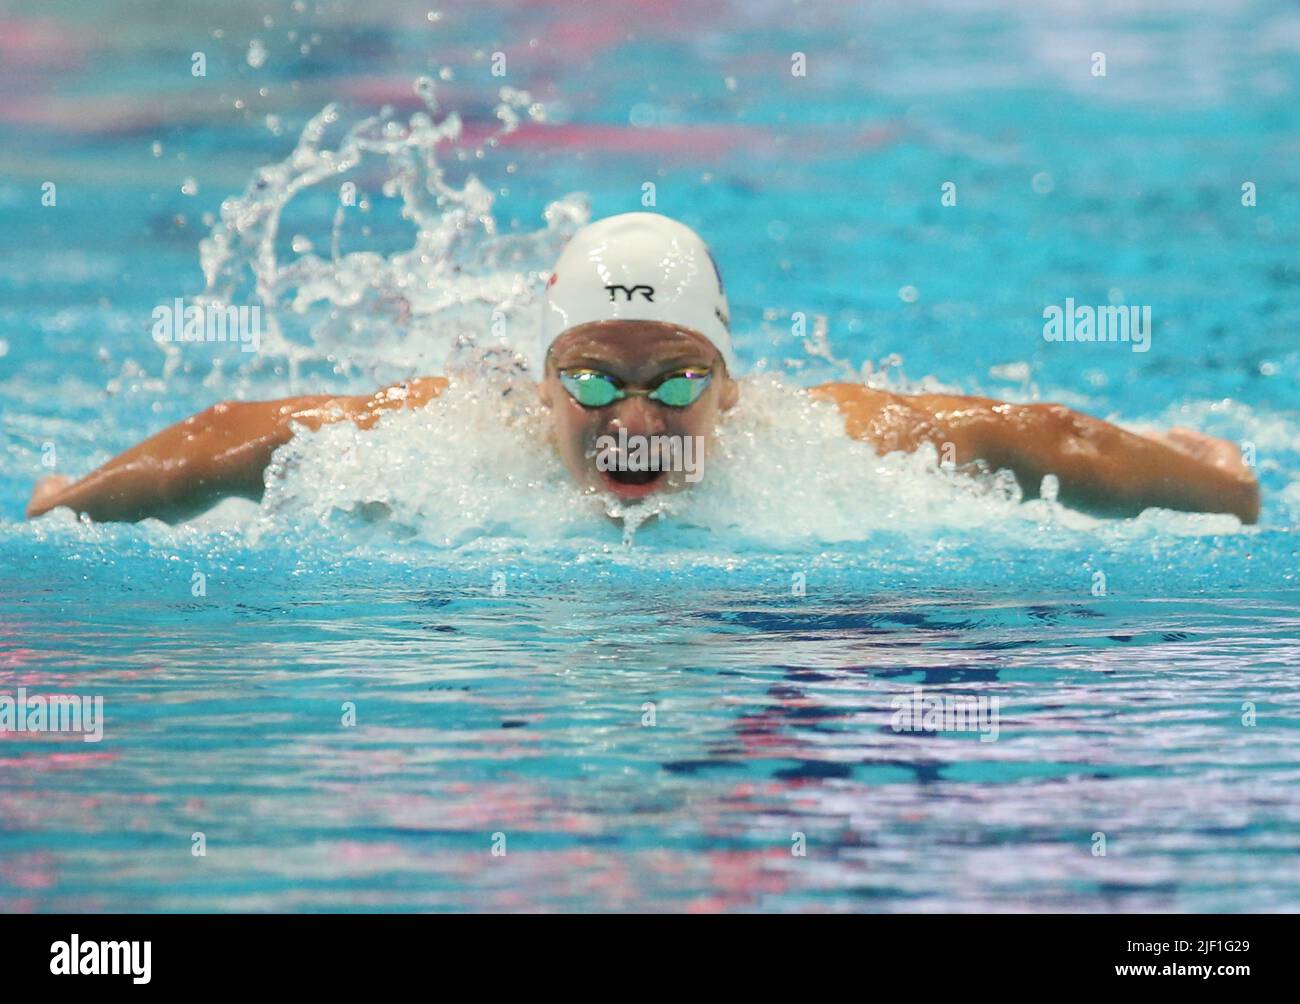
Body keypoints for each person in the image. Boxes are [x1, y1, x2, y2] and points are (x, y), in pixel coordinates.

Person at [26, 212, 1260, 525]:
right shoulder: (460, 438)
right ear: (541, 377)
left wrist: (1224, 486)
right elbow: (254, 431)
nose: (631, 416)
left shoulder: (824, 443)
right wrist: (75, 496)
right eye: (591, 377)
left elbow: (1038, 433)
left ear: (728, 382)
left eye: (673, 379)